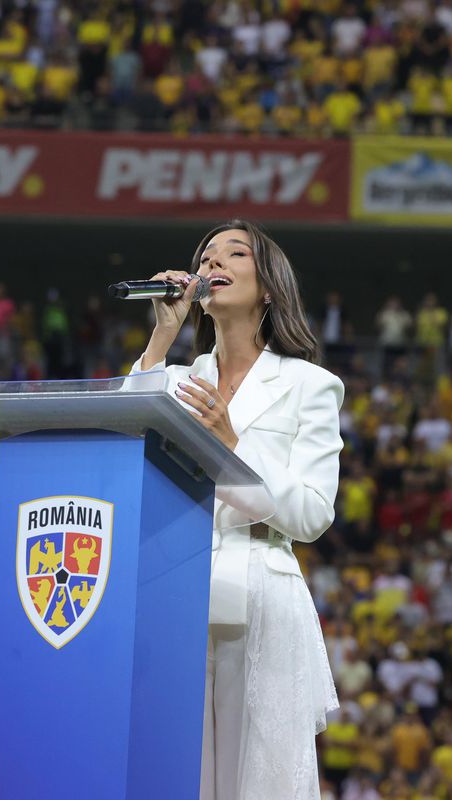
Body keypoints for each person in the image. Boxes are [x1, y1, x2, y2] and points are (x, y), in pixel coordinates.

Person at [130, 219, 342, 799]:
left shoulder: (309, 385)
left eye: (234, 252)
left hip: (261, 590)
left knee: (261, 781)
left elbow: (313, 514)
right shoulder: (176, 378)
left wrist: (233, 449)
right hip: (175, 587)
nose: (212, 261)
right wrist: (160, 339)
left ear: (269, 287)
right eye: (205, 256)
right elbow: (124, 438)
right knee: (179, 773)